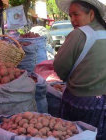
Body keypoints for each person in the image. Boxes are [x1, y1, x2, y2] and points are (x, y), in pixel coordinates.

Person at [53, 0, 106, 139]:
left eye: (76, 14)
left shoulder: (78, 35)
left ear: (92, 14)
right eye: (70, 16)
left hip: (80, 103)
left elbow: (60, 68)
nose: (72, 20)